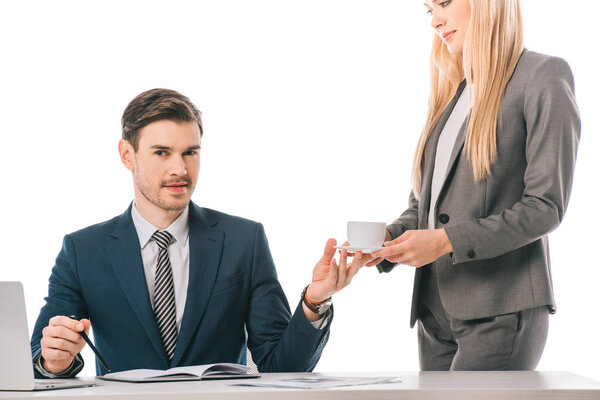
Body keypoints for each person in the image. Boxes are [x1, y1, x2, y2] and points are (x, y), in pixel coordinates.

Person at [30, 88, 374, 377]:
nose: (180, 169)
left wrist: (314, 301)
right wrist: (55, 360)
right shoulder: (82, 250)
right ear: (127, 155)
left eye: (190, 153)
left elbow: (281, 367)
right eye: (162, 153)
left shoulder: (244, 241)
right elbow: (38, 359)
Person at [373, 0, 580, 371]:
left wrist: (445, 241)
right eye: (428, 10)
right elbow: (425, 205)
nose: (435, 20)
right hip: (434, 315)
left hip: (498, 311)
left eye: (445, 3)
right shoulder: (455, 93)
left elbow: (545, 207)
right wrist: (381, 241)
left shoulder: (543, 75)